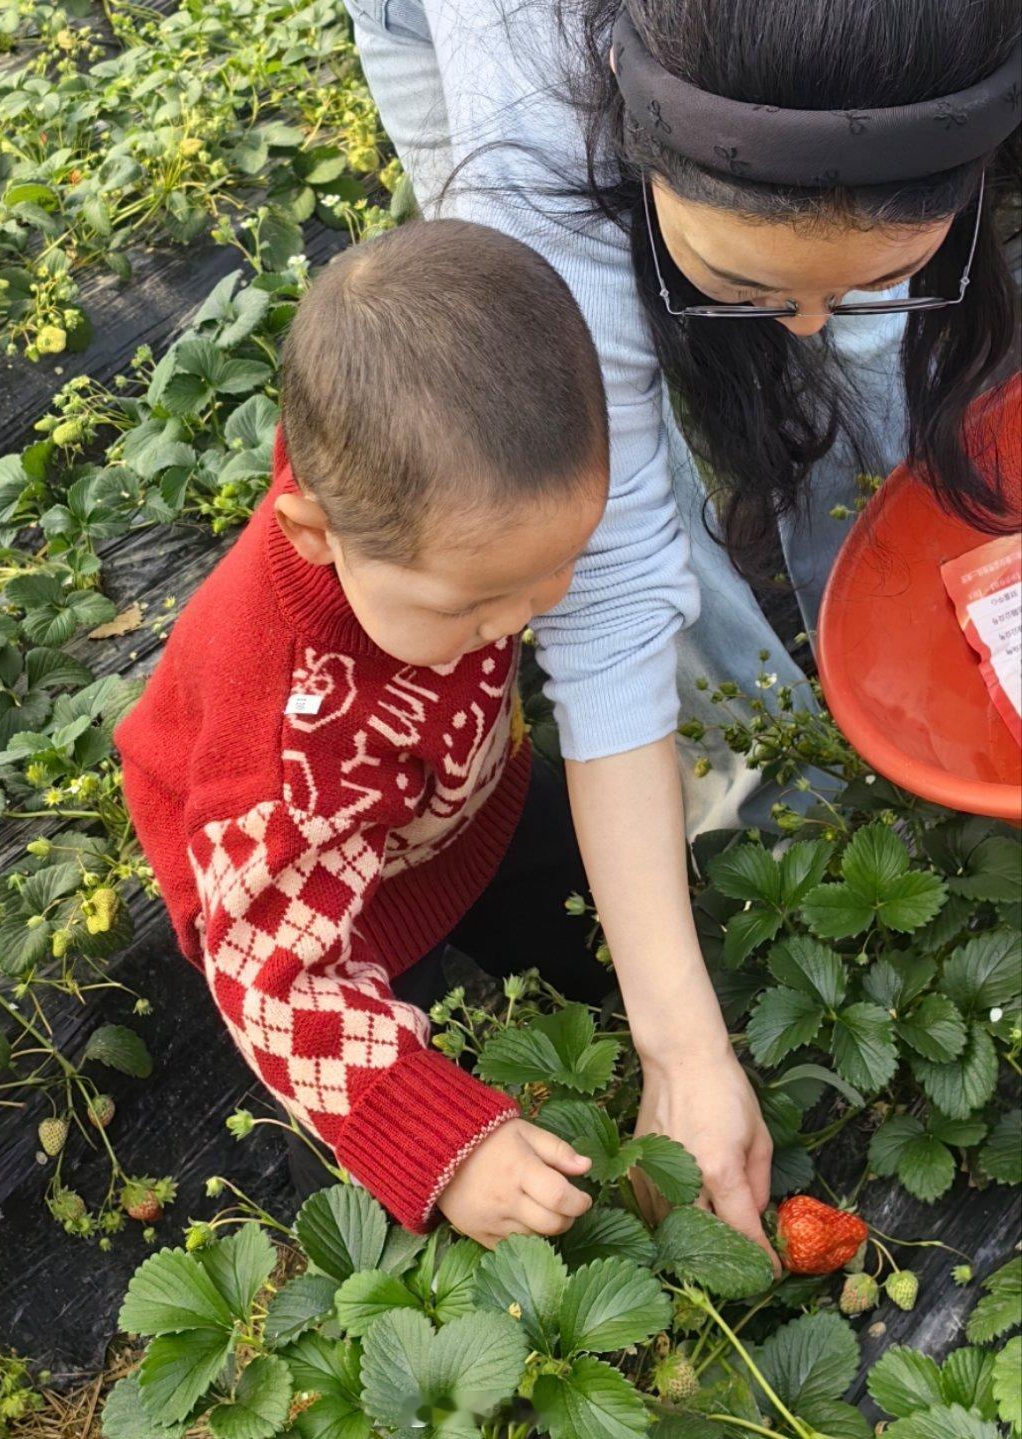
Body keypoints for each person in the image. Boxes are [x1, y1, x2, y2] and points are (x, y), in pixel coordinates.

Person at [341, 0, 1020, 1259]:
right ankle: (777, 822)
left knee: (869, 357)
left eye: (888, 256)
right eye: (747, 280)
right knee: (567, 490)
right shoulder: (535, 117)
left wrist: (838, 285)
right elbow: (601, 596)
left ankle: (892, 710)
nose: (796, 325)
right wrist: (683, 1041)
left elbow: (835, 280)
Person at [116, 218, 617, 1243]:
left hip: (466, 803)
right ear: (313, 532)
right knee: (387, 1156)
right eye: (477, 602)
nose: (517, 617)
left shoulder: (435, 517)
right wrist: (446, 1142)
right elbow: (276, 987)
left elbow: (497, 585)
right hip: (318, 901)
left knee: (602, 926)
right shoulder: (287, 754)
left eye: (549, 570)